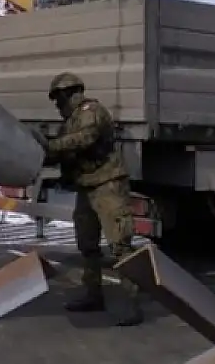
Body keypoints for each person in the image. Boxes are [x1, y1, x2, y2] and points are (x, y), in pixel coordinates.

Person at [36, 72, 143, 327]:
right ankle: (93, 295)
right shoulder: (71, 121)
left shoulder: (91, 111)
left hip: (108, 186)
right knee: (88, 246)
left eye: (58, 99)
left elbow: (84, 139)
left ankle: (132, 304)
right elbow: (64, 153)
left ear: (69, 93)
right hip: (87, 187)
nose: (57, 105)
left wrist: (52, 145)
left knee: (121, 246)